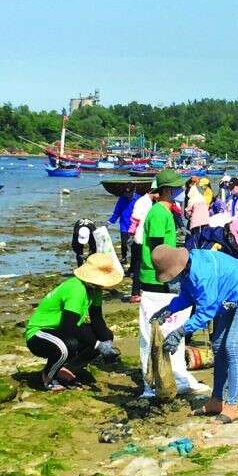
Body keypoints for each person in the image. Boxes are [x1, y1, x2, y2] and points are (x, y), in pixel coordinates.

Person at [150, 245, 238, 421]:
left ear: (179, 267)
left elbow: (206, 312)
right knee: (218, 346)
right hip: (228, 300)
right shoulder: (187, 271)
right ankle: (216, 400)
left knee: (232, 346)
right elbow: (187, 297)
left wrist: (179, 332)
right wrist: (168, 311)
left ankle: (232, 406)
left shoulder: (202, 273)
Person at [134, 169, 208, 399]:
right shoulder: (158, 213)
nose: (179, 191)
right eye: (176, 188)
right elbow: (158, 249)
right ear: (166, 190)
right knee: (154, 331)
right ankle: (154, 381)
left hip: (164, 277)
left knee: (170, 327)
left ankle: (176, 375)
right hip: (157, 278)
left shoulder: (166, 212)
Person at [25, 253, 122, 391]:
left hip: (61, 330)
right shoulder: (77, 289)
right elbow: (69, 326)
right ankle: (46, 377)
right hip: (39, 334)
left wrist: (107, 343)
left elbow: (97, 319)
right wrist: (97, 345)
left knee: (105, 335)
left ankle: (65, 370)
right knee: (66, 347)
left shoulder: (95, 290)